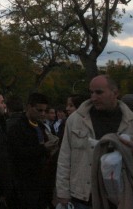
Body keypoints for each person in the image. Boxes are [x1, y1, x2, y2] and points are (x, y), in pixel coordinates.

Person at [56, 75, 133, 209]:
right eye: (91, 92)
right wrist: (62, 192)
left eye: (99, 92)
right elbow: (64, 158)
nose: (93, 97)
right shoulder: (76, 119)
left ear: (115, 93)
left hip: (119, 198)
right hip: (83, 197)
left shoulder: (130, 121)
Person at [8, 93, 58, 209]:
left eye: (44, 111)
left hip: (41, 181)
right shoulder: (17, 127)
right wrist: (43, 148)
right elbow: (17, 153)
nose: (42, 114)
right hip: (23, 183)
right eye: (39, 110)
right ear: (29, 107)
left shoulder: (40, 126)